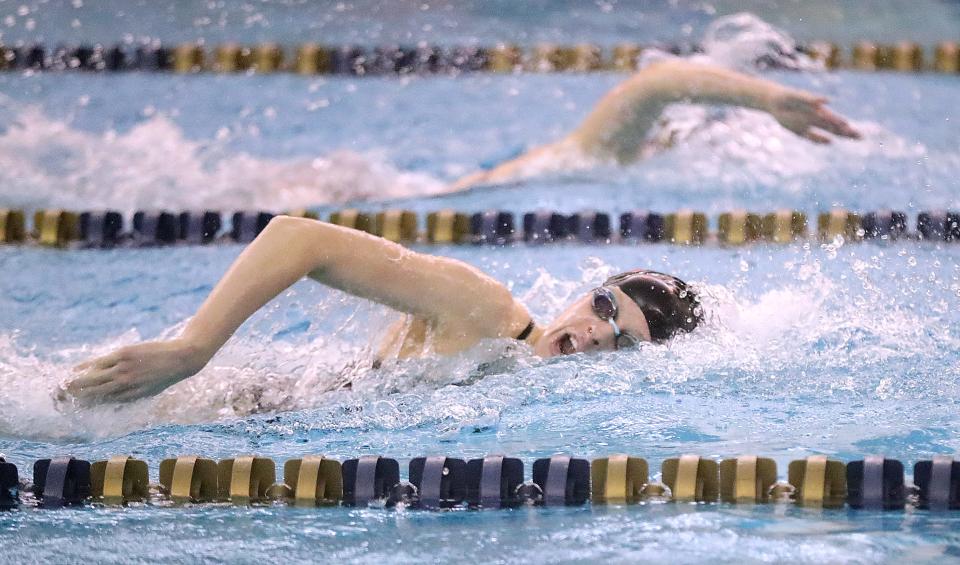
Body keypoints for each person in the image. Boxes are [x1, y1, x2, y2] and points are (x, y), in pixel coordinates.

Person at [65, 58, 860, 405]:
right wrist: (192, 348)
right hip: (215, 396)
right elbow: (293, 234)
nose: (589, 336)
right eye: (603, 310)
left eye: (618, 346)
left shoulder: (516, 373)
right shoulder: (485, 309)